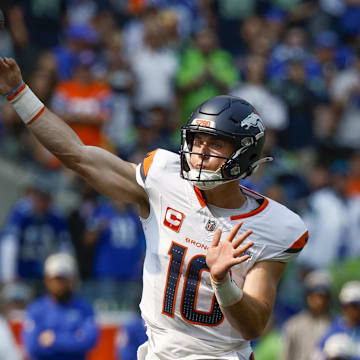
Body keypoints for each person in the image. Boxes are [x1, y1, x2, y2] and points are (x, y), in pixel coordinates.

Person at [0, 57, 308, 360]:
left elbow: (253, 326)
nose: (200, 153)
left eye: (215, 145)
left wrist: (222, 282)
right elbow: (78, 155)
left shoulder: (274, 226)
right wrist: (19, 93)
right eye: (197, 141)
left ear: (244, 155)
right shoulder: (164, 179)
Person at [22, 253, 98, 360]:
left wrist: (54, 339)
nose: (59, 284)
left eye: (64, 279)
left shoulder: (84, 309)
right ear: (47, 280)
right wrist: (72, 339)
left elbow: (88, 342)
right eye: (56, 279)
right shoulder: (36, 310)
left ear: (72, 280)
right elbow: (32, 347)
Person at [281, 270, 333, 360]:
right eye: (314, 295)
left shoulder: (335, 325)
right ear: (307, 296)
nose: (318, 301)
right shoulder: (294, 325)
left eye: (322, 296)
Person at [314, 281, 360, 360]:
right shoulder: (333, 328)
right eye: (346, 306)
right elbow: (316, 354)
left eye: (355, 306)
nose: (350, 310)